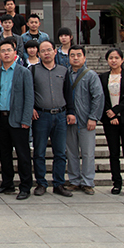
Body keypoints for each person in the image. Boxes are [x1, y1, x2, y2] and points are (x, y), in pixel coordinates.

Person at [30, 40, 75, 198]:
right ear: (38, 54)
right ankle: (41, 183)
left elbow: (68, 92)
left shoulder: (63, 70)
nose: (46, 53)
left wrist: (71, 112)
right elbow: (30, 92)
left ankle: (59, 184)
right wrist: (31, 108)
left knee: (60, 153)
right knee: (39, 152)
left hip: (60, 116)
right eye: (43, 51)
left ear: (55, 51)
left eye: (49, 50)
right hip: (41, 116)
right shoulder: (33, 70)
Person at [0, 38, 34, 200]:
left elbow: (29, 98)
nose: (6, 53)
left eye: (9, 50)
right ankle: (7, 183)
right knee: (4, 154)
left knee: (23, 155)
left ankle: (25, 186)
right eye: (3, 51)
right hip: (2, 119)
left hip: (18, 119)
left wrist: (26, 120)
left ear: (15, 53)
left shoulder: (24, 72)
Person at [100, 48, 124, 197]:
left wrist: (116, 110)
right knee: (114, 153)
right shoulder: (103, 77)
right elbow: (101, 96)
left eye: (116, 58)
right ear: (107, 60)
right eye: (111, 58)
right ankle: (116, 183)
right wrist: (110, 114)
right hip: (110, 119)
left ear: (122, 60)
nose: (114, 60)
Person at [66, 45, 104, 195]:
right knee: (71, 152)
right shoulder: (65, 74)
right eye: (72, 55)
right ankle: (74, 180)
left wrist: (93, 117)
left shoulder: (91, 75)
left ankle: (88, 182)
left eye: (78, 55)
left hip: (86, 120)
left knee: (88, 153)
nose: (75, 58)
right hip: (70, 120)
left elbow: (98, 97)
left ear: (84, 57)